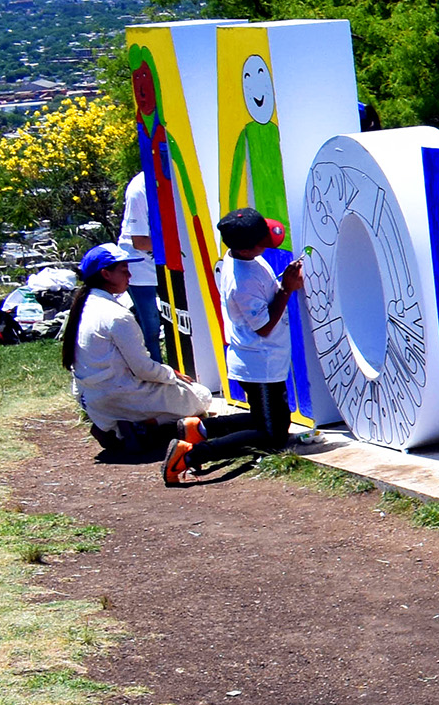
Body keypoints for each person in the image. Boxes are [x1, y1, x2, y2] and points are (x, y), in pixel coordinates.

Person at [165, 208, 306, 484]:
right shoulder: (242, 281)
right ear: (246, 250)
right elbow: (263, 327)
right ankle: (191, 455)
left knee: (271, 422)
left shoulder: (242, 258)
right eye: (263, 241)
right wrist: (287, 289)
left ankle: (201, 427)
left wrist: (281, 285)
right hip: (259, 363)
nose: (269, 242)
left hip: (264, 360)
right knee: (270, 435)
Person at [64, 244, 213, 454]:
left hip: (94, 402)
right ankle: (144, 426)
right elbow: (143, 369)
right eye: (124, 270)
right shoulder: (117, 315)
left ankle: (120, 426)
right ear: (106, 274)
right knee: (203, 396)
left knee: (180, 394)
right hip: (119, 396)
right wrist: (172, 376)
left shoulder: (83, 307)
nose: (129, 275)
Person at [119, 170, 163, 361]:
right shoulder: (139, 189)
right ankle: (153, 366)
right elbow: (140, 241)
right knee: (150, 325)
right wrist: (176, 245)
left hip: (164, 263)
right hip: (140, 266)